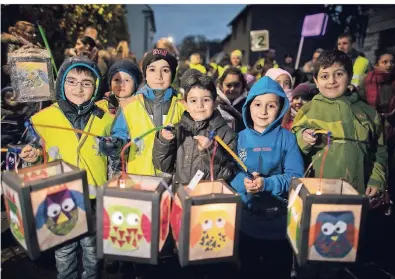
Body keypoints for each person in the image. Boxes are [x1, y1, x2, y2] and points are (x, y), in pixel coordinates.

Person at [19, 56, 114, 279]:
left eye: (86, 83)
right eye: (71, 81)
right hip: (60, 195)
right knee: (64, 249)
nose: (78, 88)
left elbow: (115, 154)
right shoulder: (44, 119)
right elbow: (36, 153)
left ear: (96, 87)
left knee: (92, 248)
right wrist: (31, 157)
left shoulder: (106, 118)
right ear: (61, 82)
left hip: (92, 195)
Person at [230, 76, 304, 279]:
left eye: (270, 105)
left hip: (279, 226)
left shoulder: (287, 138)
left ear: (280, 108)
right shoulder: (240, 138)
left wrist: (267, 183)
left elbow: (295, 177)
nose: (263, 111)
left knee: (277, 271)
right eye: (257, 104)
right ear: (248, 106)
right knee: (248, 270)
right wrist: (242, 183)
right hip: (247, 224)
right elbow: (231, 174)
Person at [291, 49, 387, 195]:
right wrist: (303, 136)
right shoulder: (308, 111)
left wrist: (377, 179)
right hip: (319, 192)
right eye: (324, 76)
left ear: (349, 77)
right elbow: (293, 148)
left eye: (339, 74)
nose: (332, 81)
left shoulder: (369, 113)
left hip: (359, 190)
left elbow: (380, 150)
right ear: (316, 81)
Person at [109, 48, 185, 176]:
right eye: (152, 69)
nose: (158, 76)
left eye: (165, 70)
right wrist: (114, 143)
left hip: (171, 179)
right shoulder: (129, 105)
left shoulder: (182, 106)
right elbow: (120, 134)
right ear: (145, 73)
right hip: (138, 177)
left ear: (173, 74)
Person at [153, 73, 237, 185]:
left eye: (206, 100)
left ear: (216, 102)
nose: (200, 105)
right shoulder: (178, 129)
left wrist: (210, 150)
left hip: (208, 196)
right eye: (193, 101)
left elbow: (227, 173)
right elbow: (162, 165)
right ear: (185, 104)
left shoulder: (225, 132)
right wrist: (164, 141)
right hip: (180, 193)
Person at [358, 49, 395, 162]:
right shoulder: (367, 80)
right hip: (371, 122)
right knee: (369, 155)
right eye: (385, 62)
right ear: (377, 64)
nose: (389, 65)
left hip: (391, 124)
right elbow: (360, 101)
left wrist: (394, 114)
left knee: (387, 156)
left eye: (392, 62)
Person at [216, 67, 248, 132]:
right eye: (228, 85)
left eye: (237, 85)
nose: (232, 89)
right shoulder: (214, 104)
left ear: (242, 86)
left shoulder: (248, 105)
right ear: (221, 86)